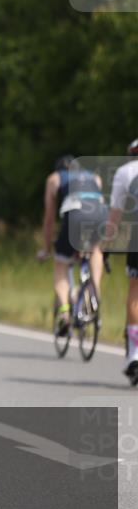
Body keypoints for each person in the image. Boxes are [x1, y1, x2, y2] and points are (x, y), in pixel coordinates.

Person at [37, 155, 106, 336]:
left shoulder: (54, 179)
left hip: (75, 214)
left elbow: (49, 219)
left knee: (61, 264)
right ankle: (95, 291)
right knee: (95, 250)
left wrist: (46, 249)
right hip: (99, 214)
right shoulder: (94, 177)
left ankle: (64, 314)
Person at [104, 139, 138, 385]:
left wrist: (106, 246)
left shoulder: (126, 172)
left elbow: (115, 214)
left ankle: (135, 355)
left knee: (135, 293)